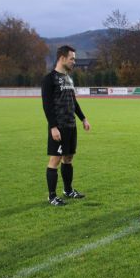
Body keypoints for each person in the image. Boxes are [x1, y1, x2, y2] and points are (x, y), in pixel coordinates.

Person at [41, 45, 91, 206]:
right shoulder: (50, 79)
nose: (74, 62)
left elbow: (73, 101)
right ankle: (52, 196)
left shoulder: (69, 78)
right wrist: (53, 127)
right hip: (59, 127)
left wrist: (83, 118)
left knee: (68, 158)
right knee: (55, 160)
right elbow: (47, 105)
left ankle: (68, 190)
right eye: (72, 58)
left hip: (71, 125)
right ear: (62, 58)